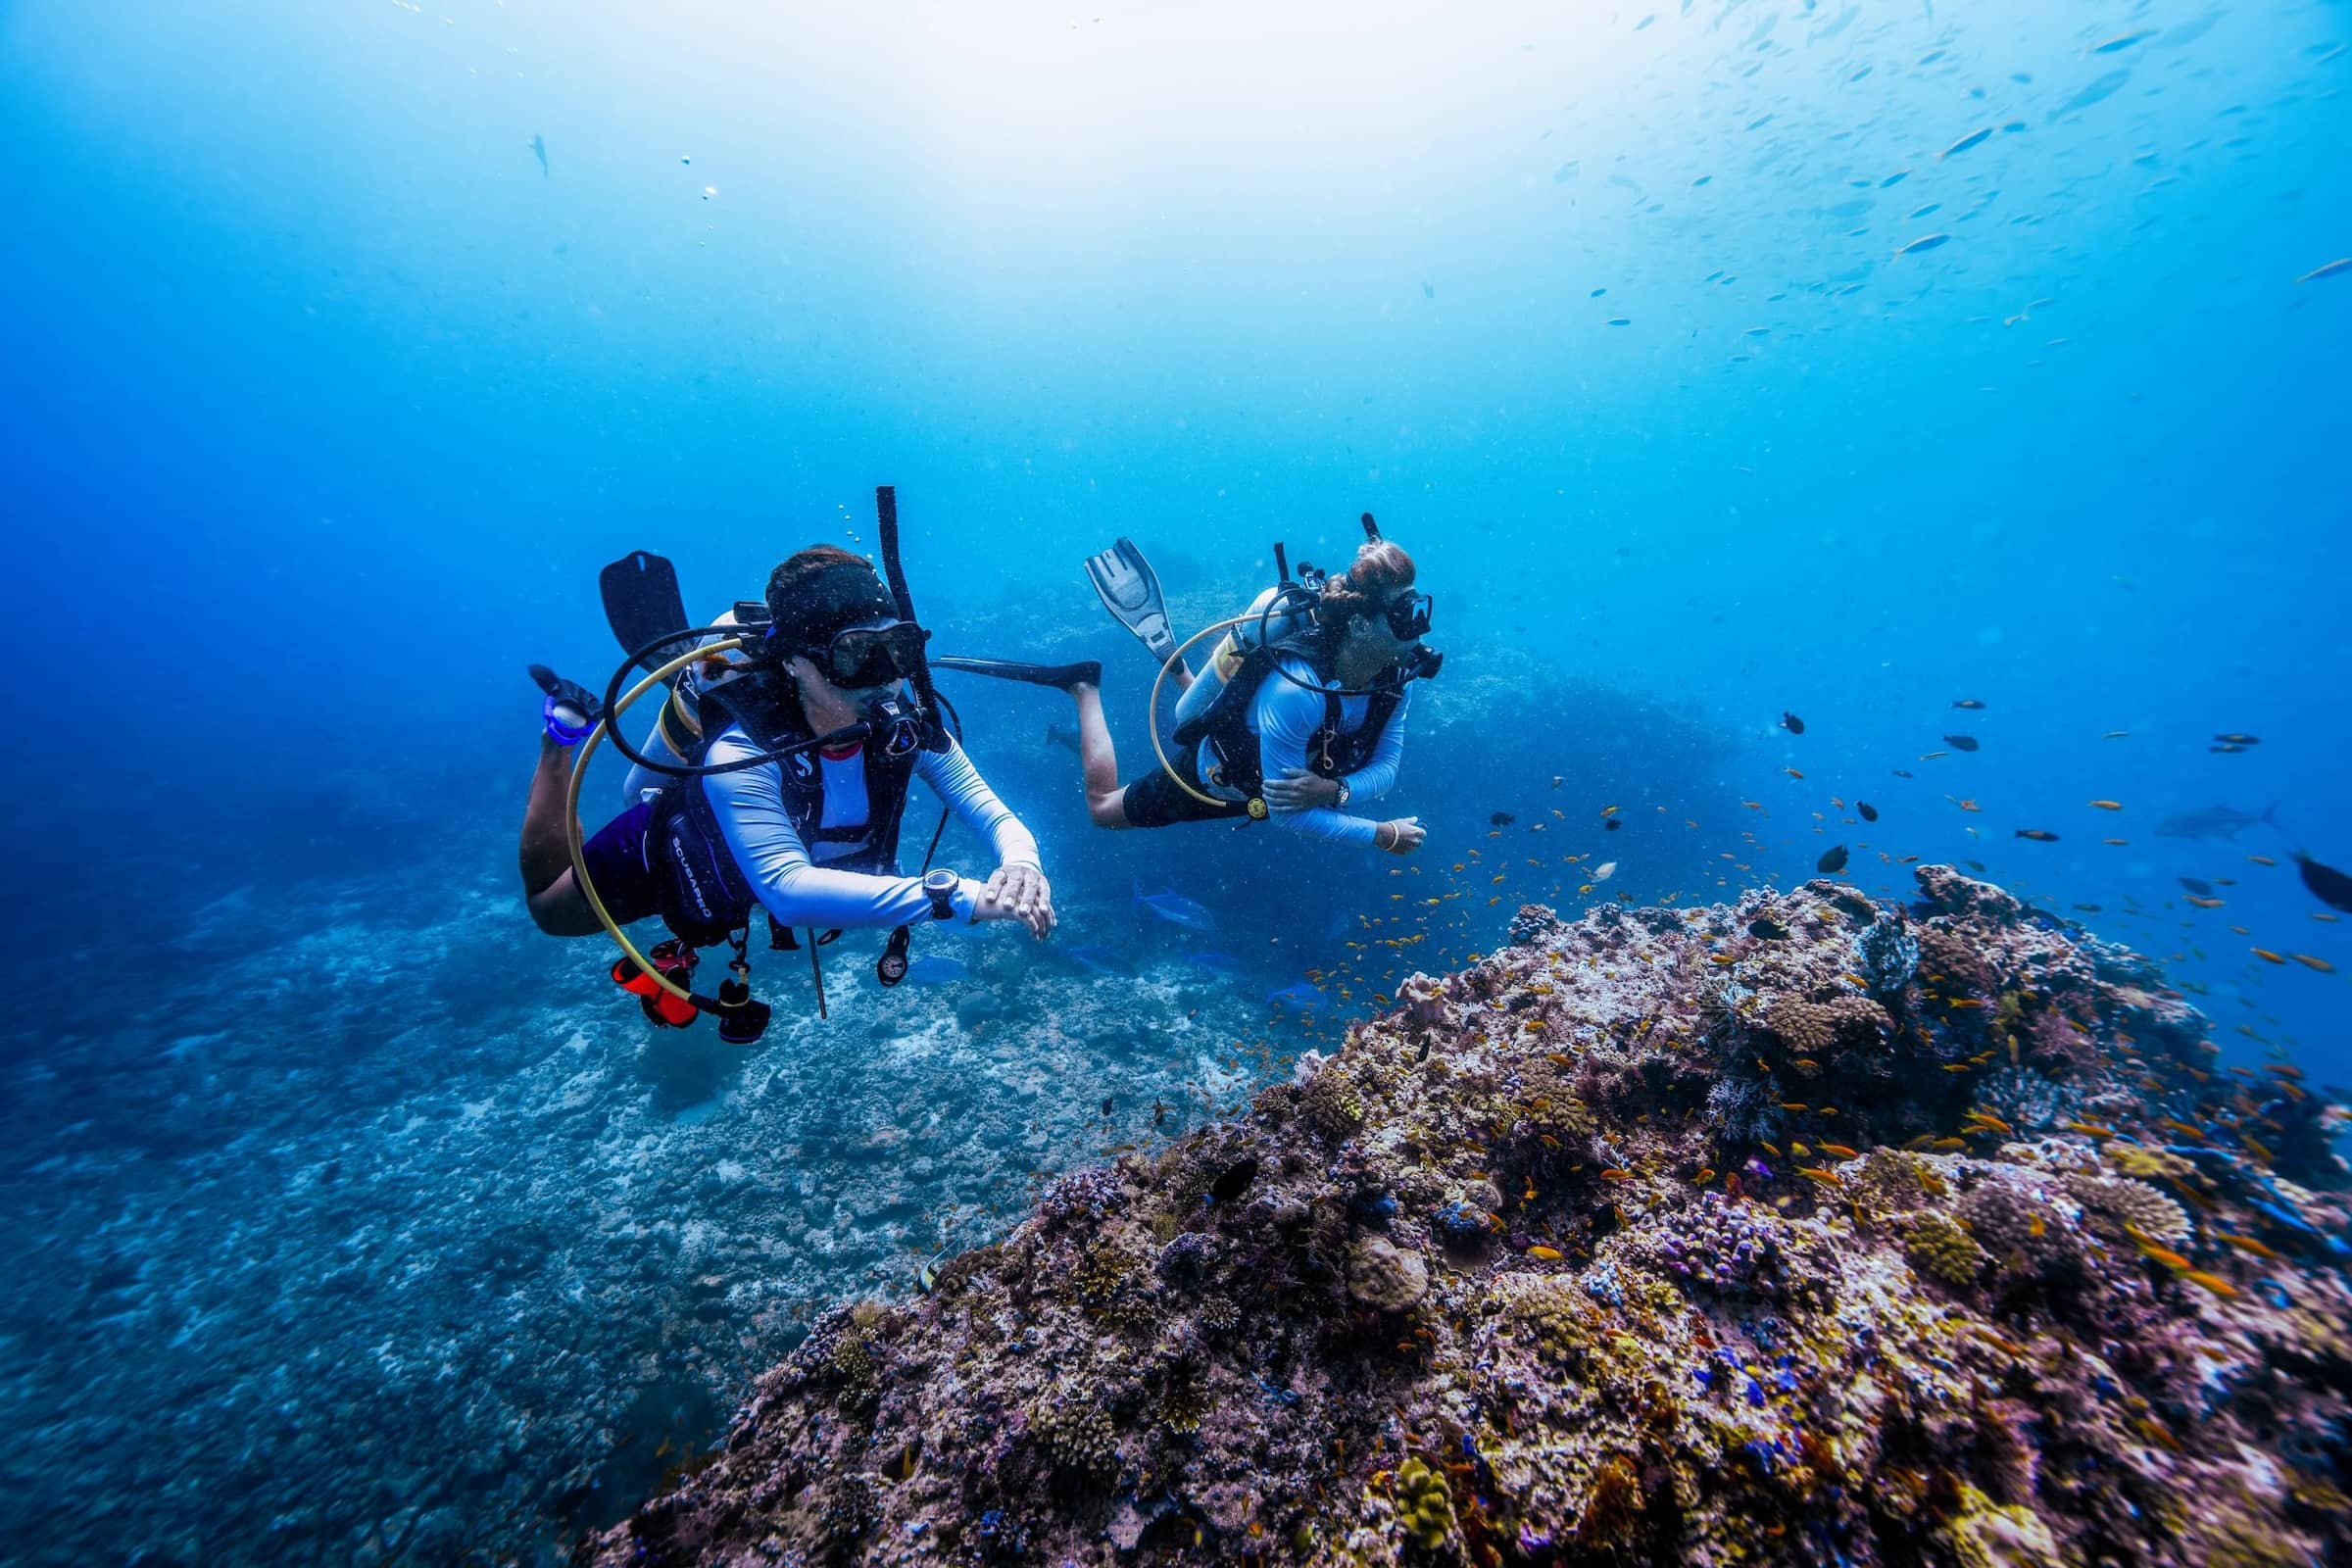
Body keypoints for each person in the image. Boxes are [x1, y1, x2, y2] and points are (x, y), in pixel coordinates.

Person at [517, 545, 1054, 970]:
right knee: (549, 910)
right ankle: (560, 738)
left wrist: (1021, 864)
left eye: (898, 650)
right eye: (853, 656)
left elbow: (989, 809)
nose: (885, 678)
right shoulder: (743, 750)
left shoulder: (903, 724)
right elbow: (789, 892)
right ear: (795, 662)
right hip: (694, 848)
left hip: (799, 848)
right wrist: (961, 896)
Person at [935, 527, 1432, 855]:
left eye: (1418, 608)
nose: (1419, 627)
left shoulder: (1395, 678)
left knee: (1225, 712)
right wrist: (1382, 834)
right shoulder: (1296, 693)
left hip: (1269, 761)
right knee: (1104, 809)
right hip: (1217, 774)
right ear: (1362, 627)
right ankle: (1083, 687)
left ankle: (1194, 681)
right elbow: (1288, 816)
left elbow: (1387, 767)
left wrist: (1336, 790)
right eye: (1404, 614)